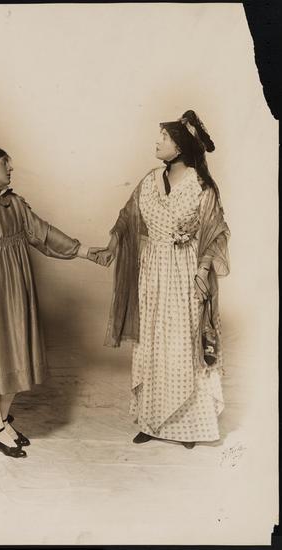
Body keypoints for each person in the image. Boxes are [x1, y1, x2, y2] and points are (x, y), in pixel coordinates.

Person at [0, 146, 97, 458]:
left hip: (14, 293)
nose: (11, 168)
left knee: (16, 351)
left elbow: (44, 234)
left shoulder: (14, 204)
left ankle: (1, 423)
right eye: (6, 163)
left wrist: (85, 252)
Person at [95, 110, 230, 448]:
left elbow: (215, 233)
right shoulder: (150, 179)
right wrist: (112, 246)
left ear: (181, 146)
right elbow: (127, 217)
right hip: (152, 271)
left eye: (165, 138)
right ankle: (152, 420)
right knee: (153, 341)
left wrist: (202, 273)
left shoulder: (202, 186)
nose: (157, 142)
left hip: (186, 272)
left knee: (183, 341)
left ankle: (189, 425)